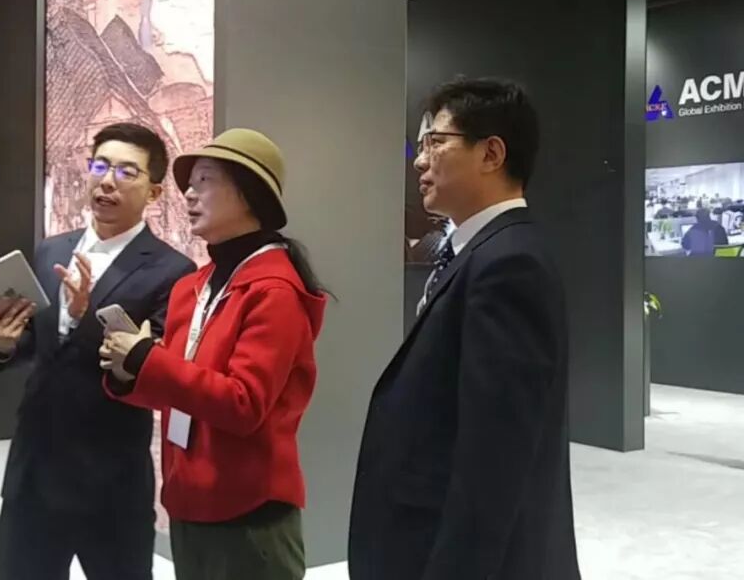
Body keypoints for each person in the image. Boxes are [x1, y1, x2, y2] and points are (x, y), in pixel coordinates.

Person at [349, 78, 580, 580]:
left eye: (436, 142)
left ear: (491, 153)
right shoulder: (479, 253)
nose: (419, 160)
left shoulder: (509, 264)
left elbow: (495, 458)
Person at [100, 129, 328, 580]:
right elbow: (180, 387)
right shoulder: (194, 285)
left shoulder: (274, 291)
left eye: (204, 180)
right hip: (190, 498)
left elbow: (244, 404)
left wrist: (147, 359)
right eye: (190, 183)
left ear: (249, 195)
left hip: (249, 510)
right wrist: (130, 372)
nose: (189, 193)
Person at [0, 122, 195, 580]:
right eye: (100, 166)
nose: (107, 181)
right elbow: (36, 346)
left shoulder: (173, 270)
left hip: (110, 480)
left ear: (154, 192)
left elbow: (148, 374)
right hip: (34, 471)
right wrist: (2, 344)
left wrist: (83, 318)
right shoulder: (50, 250)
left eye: (126, 171)